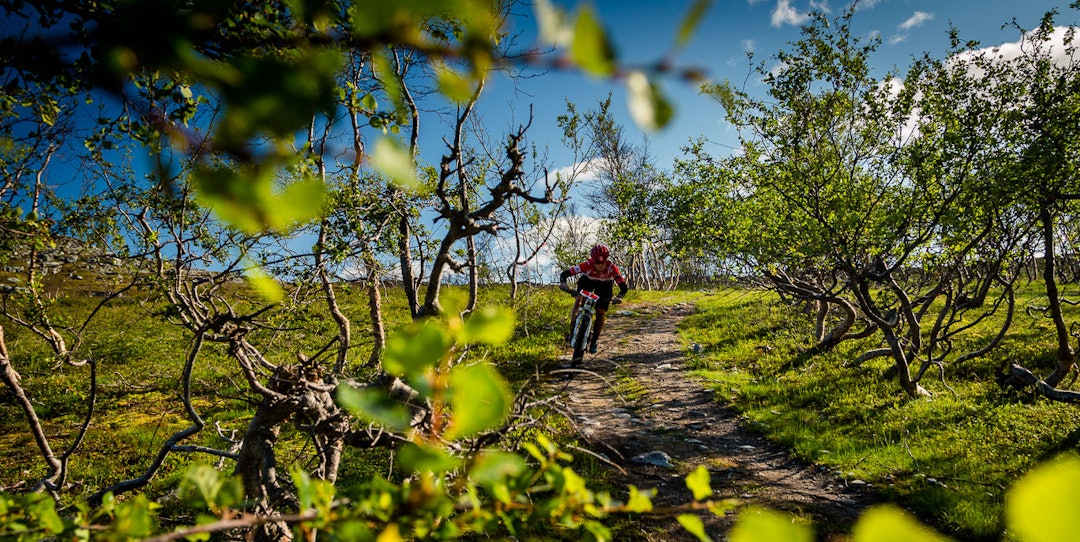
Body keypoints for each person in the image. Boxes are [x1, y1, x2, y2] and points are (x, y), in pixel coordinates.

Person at [559, 244, 629, 354]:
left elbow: (623, 286)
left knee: (601, 312)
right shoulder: (587, 264)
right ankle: (572, 331)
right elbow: (565, 273)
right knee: (579, 300)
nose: (600, 265)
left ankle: (594, 341)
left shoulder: (611, 268)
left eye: (603, 262)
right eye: (597, 262)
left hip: (605, 285)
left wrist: (619, 297)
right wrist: (563, 283)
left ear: (606, 260)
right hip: (588, 281)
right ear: (593, 259)